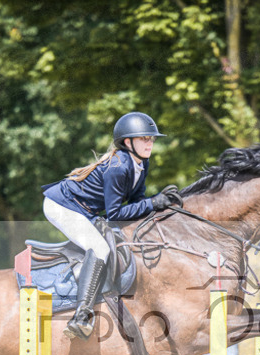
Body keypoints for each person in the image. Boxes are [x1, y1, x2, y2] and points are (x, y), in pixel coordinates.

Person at [41, 112, 184, 339]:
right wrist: (152, 202)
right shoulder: (118, 167)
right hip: (61, 206)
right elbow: (115, 213)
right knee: (99, 249)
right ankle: (81, 316)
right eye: (144, 138)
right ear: (128, 142)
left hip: (84, 210)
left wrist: (158, 203)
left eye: (152, 139)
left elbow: (137, 201)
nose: (150, 143)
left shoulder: (141, 163)